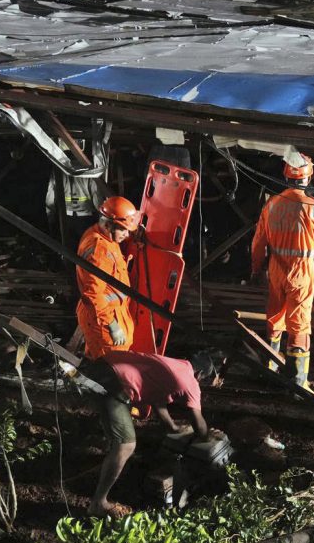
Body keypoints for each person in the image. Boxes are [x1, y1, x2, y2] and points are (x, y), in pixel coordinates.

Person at [71, 351, 221, 518]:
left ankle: (110, 465)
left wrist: (171, 426)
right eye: (202, 379)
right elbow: (198, 423)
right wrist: (208, 436)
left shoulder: (174, 363)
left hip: (101, 365)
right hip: (114, 383)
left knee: (119, 429)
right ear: (199, 374)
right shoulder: (190, 382)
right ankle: (98, 503)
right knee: (126, 445)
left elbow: (156, 398)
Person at [250, 155, 314, 387]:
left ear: (286, 176)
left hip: (276, 269)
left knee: (275, 318)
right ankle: (297, 378)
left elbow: (258, 243)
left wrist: (256, 269)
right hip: (301, 272)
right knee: (299, 323)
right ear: (308, 177)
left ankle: (270, 368)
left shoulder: (272, 204)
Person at [76, 196, 139, 360]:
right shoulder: (99, 250)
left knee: (106, 365)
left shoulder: (103, 236)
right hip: (104, 318)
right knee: (112, 367)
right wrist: (112, 326)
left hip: (112, 313)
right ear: (108, 224)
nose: (126, 235)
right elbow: (93, 294)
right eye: (123, 230)